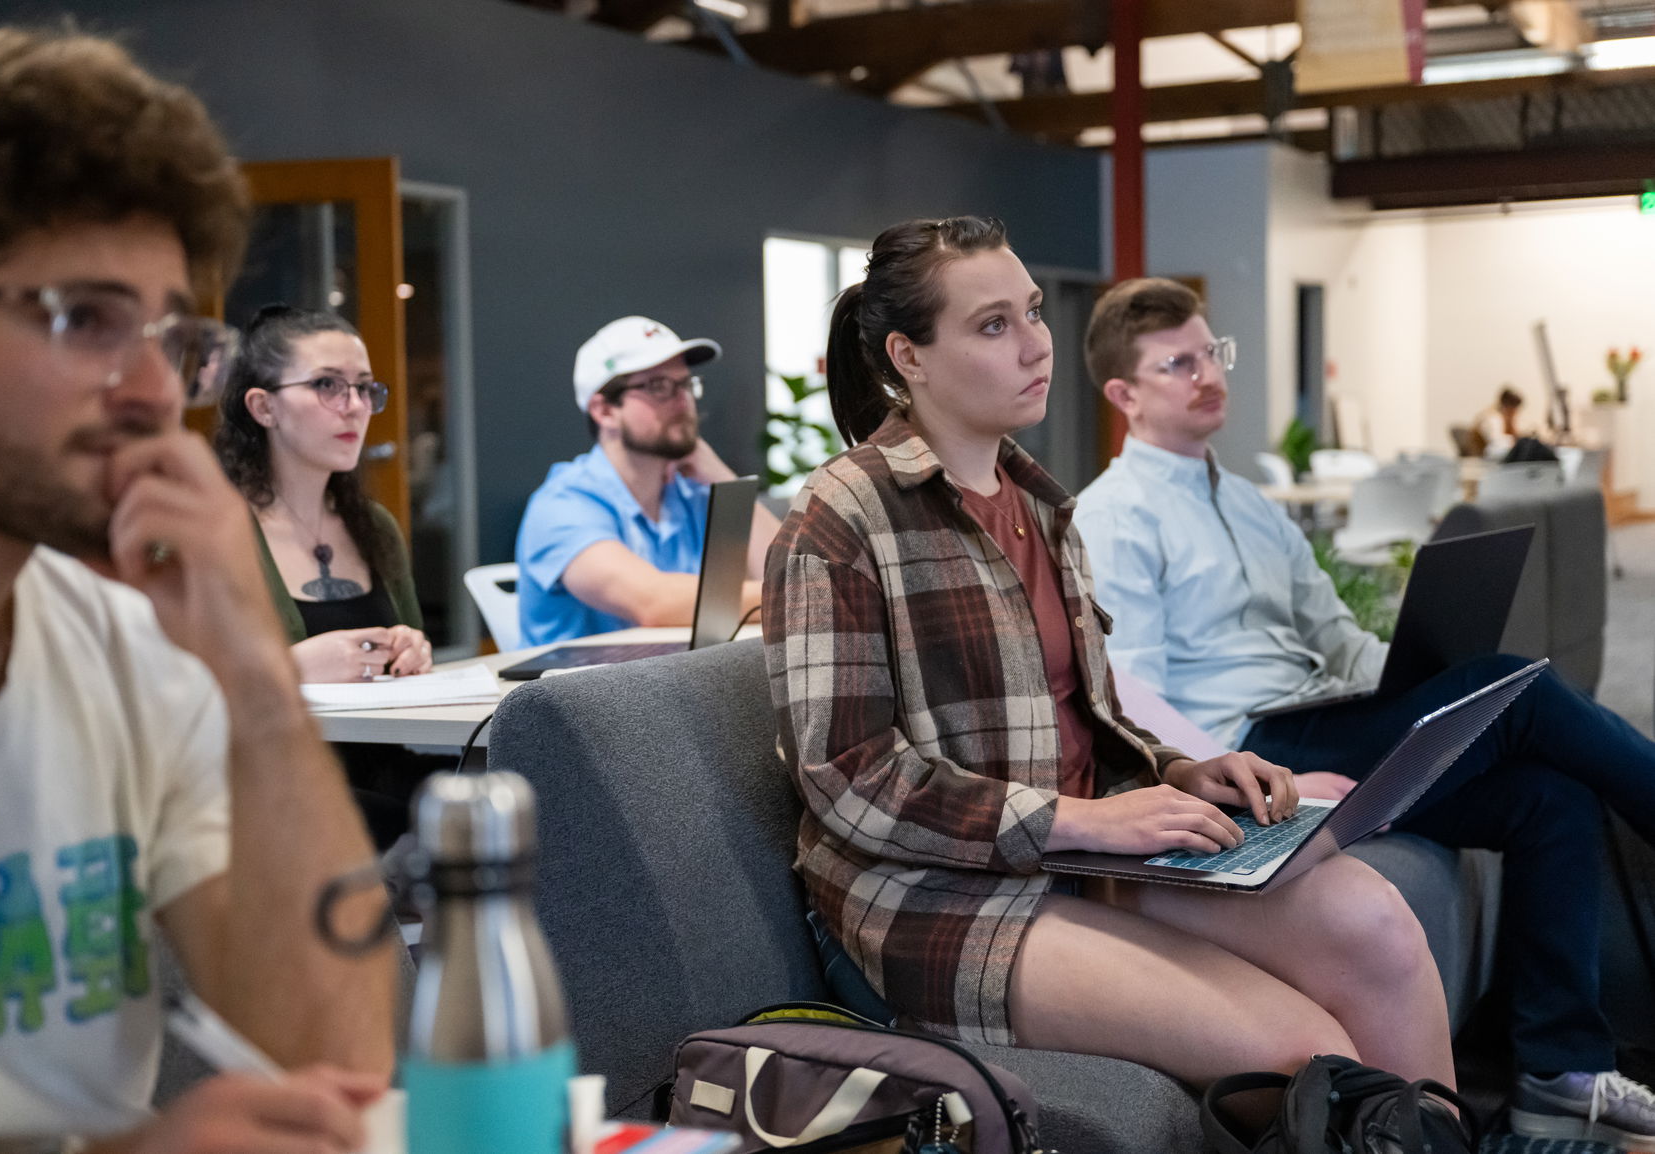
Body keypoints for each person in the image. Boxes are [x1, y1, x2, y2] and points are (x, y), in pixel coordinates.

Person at [764, 217, 1456, 1094]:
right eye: (992, 326)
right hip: (932, 897)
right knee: (1309, 1056)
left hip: (1087, 850)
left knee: (1376, 925)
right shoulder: (840, 521)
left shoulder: (1040, 503)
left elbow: (1088, 711)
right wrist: (1081, 823)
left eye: (1034, 312)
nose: (1034, 346)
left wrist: (1176, 768)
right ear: (909, 356)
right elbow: (848, 779)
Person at [0, 28, 393, 1149]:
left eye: (169, 336)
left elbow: (339, 1060)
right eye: (83, 318)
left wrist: (254, 676)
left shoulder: (125, 647)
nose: (148, 389)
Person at [1074, 276, 1655, 1147]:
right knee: (1519, 686)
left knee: (1548, 795)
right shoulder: (1113, 517)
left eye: (1212, 354)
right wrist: (1248, 779)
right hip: (1251, 742)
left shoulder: (1246, 503)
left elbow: (1335, 630)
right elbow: (1136, 693)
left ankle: (1557, 1075)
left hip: (1329, 712)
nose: (1207, 375)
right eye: (1178, 364)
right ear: (1125, 394)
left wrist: (1412, 678)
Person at [516, 315, 780, 646]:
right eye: (657, 386)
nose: (683, 401)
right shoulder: (562, 504)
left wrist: (722, 478)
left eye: (685, 384)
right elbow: (654, 604)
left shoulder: (690, 492)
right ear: (605, 411)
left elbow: (787, 569)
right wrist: (794, 595)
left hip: (669, 685)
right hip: (576, 694)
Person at [215, 304, 433, 684]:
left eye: (363, 388)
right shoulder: (214, 532)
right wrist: (292, 668)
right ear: (264, 407)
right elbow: (170, 689)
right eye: (326, 385)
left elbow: (411, 664)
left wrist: (412, 649)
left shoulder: (374, 525)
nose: (355, 407)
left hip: (391, 743)